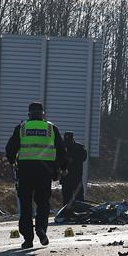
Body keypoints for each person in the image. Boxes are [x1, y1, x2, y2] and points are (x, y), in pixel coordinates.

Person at [6, 102, 67, 248]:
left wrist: (12, 161)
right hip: (44, 172)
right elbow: (61, 150)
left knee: (26, 205)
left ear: (29, 114)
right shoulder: (51, 128)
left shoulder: (22, 128)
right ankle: (41, 229)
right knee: (43, 203)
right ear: (43, 114)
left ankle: (28, 238)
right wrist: (62, 168)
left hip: (25, 171)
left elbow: (10, 148)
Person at [60, 131, 88, 207]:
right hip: (65, 177)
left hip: (76, 177)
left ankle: (80, 215)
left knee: (79, 200)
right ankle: (66, 216)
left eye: (69, 140)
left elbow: (83, 157)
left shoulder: (79, 148)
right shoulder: (61, 147)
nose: (67, 143)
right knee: (66, 199)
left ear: (73, 139)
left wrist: (72, 160)